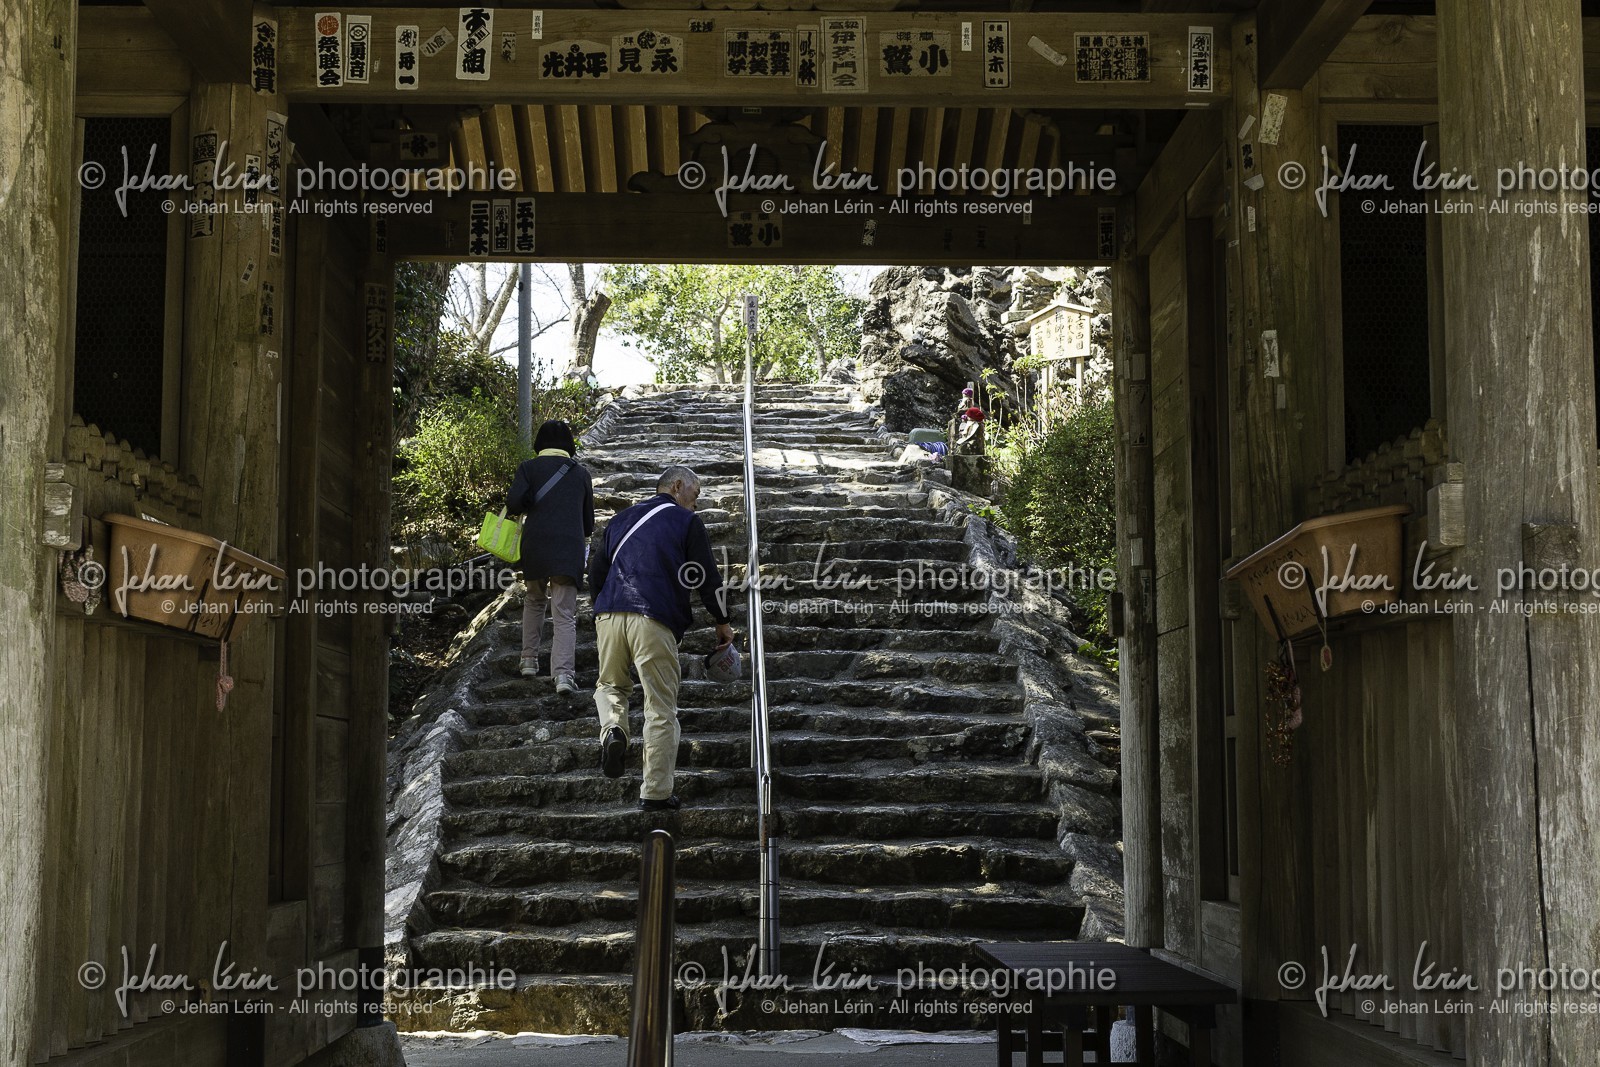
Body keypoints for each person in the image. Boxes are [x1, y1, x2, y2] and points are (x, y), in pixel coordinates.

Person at [588, 465, 735, 811]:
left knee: (610, 686)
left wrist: (603, 610)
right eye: (695, 497)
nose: (695, 506)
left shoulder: (621, 519)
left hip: (609, 615)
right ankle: (655, 793)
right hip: (654, 618)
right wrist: (722, 620)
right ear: (678, 486)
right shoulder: (686, 523)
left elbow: (596, 572)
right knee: (660, 706)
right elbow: (707, 576)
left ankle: (613, 730)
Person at [506, 420, 594, 694]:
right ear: (568, 444)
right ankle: (564, 676)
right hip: (568, 550)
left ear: (539, 443)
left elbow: (513, 504)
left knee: (533, 600)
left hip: (536, 546)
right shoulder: (581, 474)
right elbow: (588, 523)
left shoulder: (528, 468)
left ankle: (529, 660)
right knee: (564, 613)